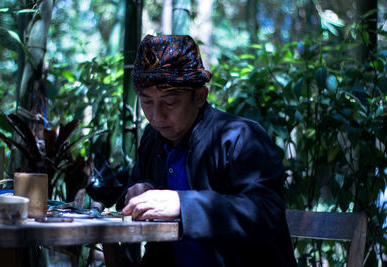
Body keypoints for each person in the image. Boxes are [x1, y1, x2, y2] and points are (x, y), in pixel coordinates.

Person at [121, 34, 297, 267]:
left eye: (169, 102)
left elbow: (266, 212)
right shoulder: (153, 139)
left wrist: (183, 205)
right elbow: (136, 185)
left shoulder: (239, 137)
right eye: (147, 102)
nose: (156, 115)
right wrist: (140, 189)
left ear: (200, 96)